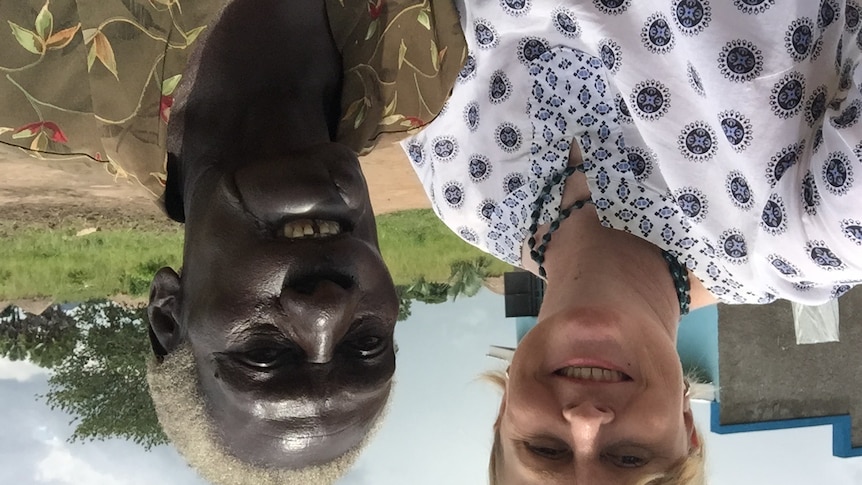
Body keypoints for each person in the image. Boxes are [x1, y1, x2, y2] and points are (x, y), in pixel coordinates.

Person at [1, 0, 466, 483]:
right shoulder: (422, 73)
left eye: (263, 354)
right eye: (368, 343)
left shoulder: (27, 77)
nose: (327, 309)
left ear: (168, 314)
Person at [402, 0, 862, 483]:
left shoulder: (464, 197)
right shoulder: (809, 237)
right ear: (687, 429)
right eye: (628, 458)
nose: (584, 422)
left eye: (544, 449)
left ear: (502, 416)